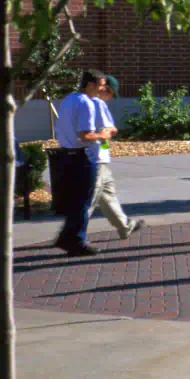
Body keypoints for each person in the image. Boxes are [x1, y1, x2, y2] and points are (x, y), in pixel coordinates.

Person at [53, 69, 115, 256]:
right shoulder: (86, 103)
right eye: (101, 85)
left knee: (74, 201)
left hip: (65, 155)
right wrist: (102, 135)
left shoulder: (68, 100)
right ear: (90, 85)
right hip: (82, 157)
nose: (103, 89)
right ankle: (76, 241)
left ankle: (66, 237)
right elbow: (85, 134)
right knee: (83, 201)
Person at [89, 75, 141, 242]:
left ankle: (125, 226)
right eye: (112, 95)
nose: (111, 99)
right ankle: (74, 234)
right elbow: (106, 130)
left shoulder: (88, 103)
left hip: (98, 158)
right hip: (97, 159)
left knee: (107, 194)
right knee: (89, 200)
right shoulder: (98, 104)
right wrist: (110, 135)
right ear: (107, 90)